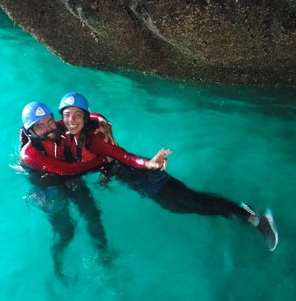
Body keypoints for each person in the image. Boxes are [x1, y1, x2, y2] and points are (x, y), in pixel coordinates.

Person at [53, 92, 279, 251]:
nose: (71, 120)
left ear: (84, 116)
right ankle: (235, 211)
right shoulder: (75, 131)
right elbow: (53, 125)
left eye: (77, 115)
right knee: (179, 207)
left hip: (144, 175)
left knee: (193, 201)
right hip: (134, 180)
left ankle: (256, 219)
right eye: (67, 115)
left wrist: (150, 164)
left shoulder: (95, 139)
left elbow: (124, 157)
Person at [19, 102, 112, 281]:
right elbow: (67, 170)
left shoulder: (58, 128)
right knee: (66, 231)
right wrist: (102, 160)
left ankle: (103, 255)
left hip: (70, 179)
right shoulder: (29, 154)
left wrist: (104, 123)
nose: (48, 128)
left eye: (49, 121)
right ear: (30, 132)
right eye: (40, 126)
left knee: (93, 215)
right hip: (48, 190)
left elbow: (89, 116)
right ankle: (58, 264)